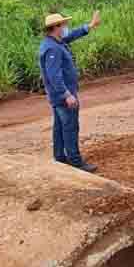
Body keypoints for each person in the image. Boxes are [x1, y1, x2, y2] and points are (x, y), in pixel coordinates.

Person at [39, 11, 102, 173]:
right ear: (55, 27)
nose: (66, 27)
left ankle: (60, 158)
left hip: (58, 95)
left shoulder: (55, 42)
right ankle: (75, 162)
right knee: (70, 127)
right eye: (63, 24)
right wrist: (67, 95)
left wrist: (90, 26)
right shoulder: (53, 48)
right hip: (63, 96)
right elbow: (54, 76)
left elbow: (72, 35)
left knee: (60, 127)